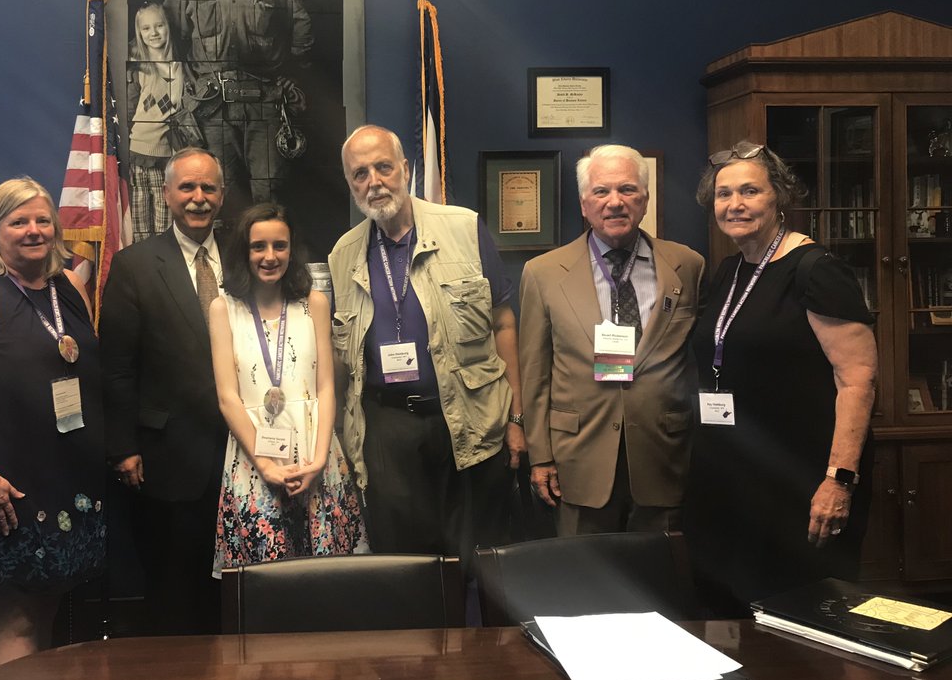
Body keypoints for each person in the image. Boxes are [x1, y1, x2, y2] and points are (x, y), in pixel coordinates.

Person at [686, 142, 877, 616]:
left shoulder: (816, 271)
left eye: (750, 191)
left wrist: (838, 481)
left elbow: (857, 380)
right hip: (730, 479)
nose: (736, 204)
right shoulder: (730, 270)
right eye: (724, 194)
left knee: (798, 614)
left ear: (779, 196)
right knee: (727, 614)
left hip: (797, 483)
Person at [327, 125, 524, 560]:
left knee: (481, 557)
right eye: (360, 173)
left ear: (405, 169)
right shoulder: (343, 255)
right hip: (388, 428)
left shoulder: (464, 228)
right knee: (405, 562)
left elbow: (504, 324)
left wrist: (517, 419)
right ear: (350, 184)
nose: (374, 181)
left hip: (471, 418)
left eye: (383, 167)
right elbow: (343, 359)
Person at [0, 177, 105, 667]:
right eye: (18, 221)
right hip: (6, 485)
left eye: (43, 220)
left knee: (46, 607)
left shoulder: (69, 287)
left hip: (65, 475)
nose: (34, 230)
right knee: (17, 619)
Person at [518, 145, 706, 536]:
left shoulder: (687, 265)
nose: (615, 202)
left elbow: (697, 361)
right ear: (584, 204)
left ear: (645, 199)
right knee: (585, 570)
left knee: (659, 569)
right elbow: (535, 374)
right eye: (601, 191)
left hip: (663, 454)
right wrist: (541, 456)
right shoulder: (543, 273)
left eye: (627, 189)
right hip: (577, 459)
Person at [99, 147, 229, 634]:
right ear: (168, 194)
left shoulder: (247, 258)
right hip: (166, 455)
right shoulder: (134, 265)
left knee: (237, 585)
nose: (199, 197)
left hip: (244, 452)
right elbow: (116, 366)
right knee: (174, 589)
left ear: (222, 195)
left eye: (208, 188)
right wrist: (123, 447)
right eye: (187, 187)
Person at [210, 203, 366, 572]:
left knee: (326, 578)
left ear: (292, 250)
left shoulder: (314, 303)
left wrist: (318, 460)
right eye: (258, 246)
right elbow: (228, 398)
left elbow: (326, 388)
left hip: (316, 456)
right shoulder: (223, 308)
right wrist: (265, 466)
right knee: (262, 579)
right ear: (244, 251)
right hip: (253, 464)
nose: (270, 256)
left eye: (280, 245)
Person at [165, 0, 313, 220]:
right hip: (213, 107)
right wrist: (189, 85)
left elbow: (300, 22)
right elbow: (169, 33)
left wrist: (291, 73)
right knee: (219, 194)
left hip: (265, 103)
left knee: (269, 196)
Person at [126, 1, 205, 243]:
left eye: (159, 26)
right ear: (139, 33)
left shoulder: (181, 67)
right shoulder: (137, 67)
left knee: (164, 223)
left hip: (168, 156)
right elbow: (129, 110)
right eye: (146, 28)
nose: (154, 33)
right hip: (139, 152)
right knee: (140, 225)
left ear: (167, 27)